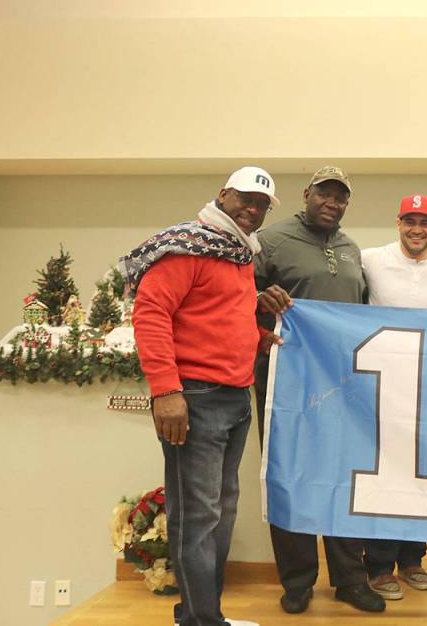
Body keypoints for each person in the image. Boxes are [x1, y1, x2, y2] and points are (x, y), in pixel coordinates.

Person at [124, 165, 282, 626]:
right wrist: (165, 391)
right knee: (197, 516)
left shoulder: (238, 254)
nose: (253, 210)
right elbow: (150, 315)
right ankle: (202, 620)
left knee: (220, 511)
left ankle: (197, 614)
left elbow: (214, 316)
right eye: (246, 199)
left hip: (234, 398)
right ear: (223, 195)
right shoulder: (187, 246)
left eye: (261, 205)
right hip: (193, 399)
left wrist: (256, 338)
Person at [252, 166, 385, 615]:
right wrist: (259, 301)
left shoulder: (350, 249)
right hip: (283, 377)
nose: (332, 203)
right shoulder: (270, 242)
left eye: (341, 197)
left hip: (341, 381)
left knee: (344, 475)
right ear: (306, 194)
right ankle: (297, 580)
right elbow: (236, 297)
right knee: (289, 473)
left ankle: (349, 578)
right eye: (324, 194)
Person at [357, 193, 427, 599]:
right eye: (410, 220)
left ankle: (413, 558)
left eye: (425, 222)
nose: (417, 228)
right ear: (398, 223)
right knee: (385, 473)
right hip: (381, 384)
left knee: (421, 474)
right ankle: (379, 565)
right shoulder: (370, 258)